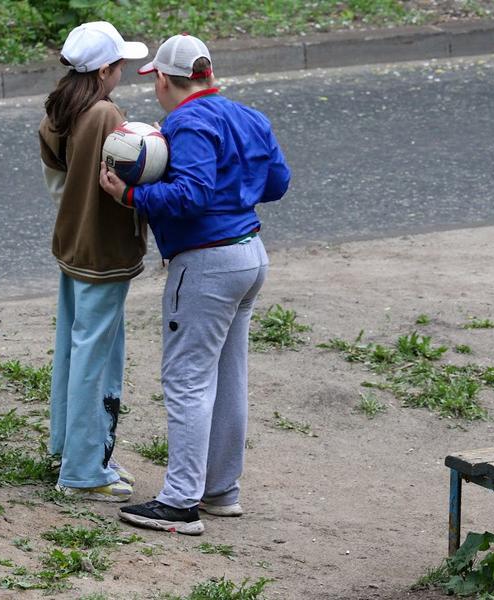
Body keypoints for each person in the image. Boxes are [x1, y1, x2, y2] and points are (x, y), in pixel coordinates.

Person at [99, 33, 291, 535]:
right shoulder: (248, 115)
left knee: (187, 381)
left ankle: (181, 502)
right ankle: (221, 491)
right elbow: (277, 183)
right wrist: (236, 190)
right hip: (251, 256)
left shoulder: (185, 121)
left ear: (164, 78)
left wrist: (131, 195)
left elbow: (191, 195)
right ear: (207, 74)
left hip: (207, 264)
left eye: (156, 81)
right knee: (228, 378)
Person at [39, 21, 148, 502]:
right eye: (120, 64)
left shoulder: (59, 109)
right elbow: (127, 177)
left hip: (71, 244)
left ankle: (72, 446)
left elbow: (58, 183)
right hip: (103, 252)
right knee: (96, 355)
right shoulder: (105, 114)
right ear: (106, 69)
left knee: (73, 345)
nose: (122, 70)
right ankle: (83, 470)